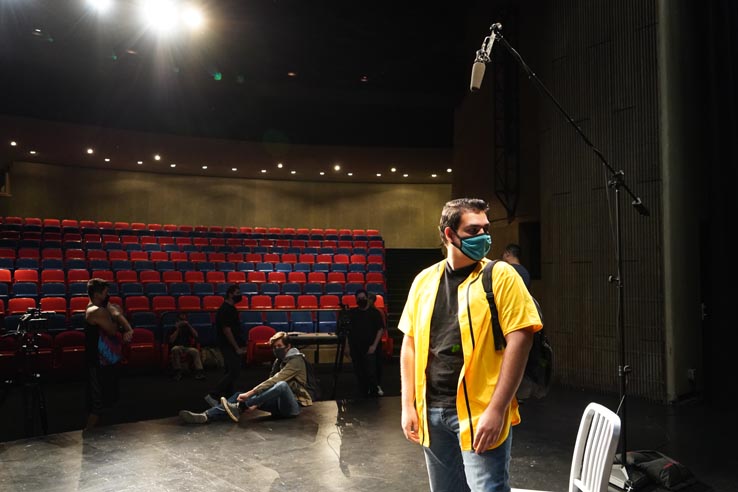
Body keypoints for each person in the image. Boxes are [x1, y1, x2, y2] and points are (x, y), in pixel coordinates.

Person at [399, 198, 543, 492]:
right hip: (433, 411)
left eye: (486, 229)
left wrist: (497, 409)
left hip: (481, 412)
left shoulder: (501, 275)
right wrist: (407, 405)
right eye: (474, 230)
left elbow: (521, 339)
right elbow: (410, 345)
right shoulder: (424, 281)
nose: (484, 237)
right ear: (450, 235)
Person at [179, 331, 313, 424]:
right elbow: (269, 385)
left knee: (281, 385)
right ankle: (206, 416)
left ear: (288, 346)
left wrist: (250, 397)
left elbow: (275, 381)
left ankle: (241, 407)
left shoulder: (296, 360)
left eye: (279, 346)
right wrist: (257, 402)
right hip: (277, 406)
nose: (276, 349)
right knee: (239, 394)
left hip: (292, 407)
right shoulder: (278, 360)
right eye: (274, 347)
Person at [84, 277, 134, 430]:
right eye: (105, 292)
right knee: (97, 404)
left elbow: (119, 319)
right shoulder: (95, 311)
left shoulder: (103, 308)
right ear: (97, 294)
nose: (108, 295)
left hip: (108, 361)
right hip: (98, 363)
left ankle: (105, 433)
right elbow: (113, 329)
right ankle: (88, 433)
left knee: (110, 399)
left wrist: (127, 328)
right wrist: (115, 313)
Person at [204, 284, 246, 407]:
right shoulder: (226, 309)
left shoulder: (231, 309)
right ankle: (213, 395)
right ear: (230, 294)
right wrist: (236, 347)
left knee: (230, 370)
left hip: (231, 344)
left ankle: (229, 397)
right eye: (237, 293)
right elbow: (227, 330)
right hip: (228, 345)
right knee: (234, 371)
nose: (240, 295)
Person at [346, 288, 384, 397]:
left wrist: (374, 346)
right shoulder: (353, 313)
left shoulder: (375, 313)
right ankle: (362, 392)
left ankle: (373, 391)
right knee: (359, 371)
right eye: (359, 299)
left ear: (367, 298)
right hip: (356, 348)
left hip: (370, 347)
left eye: (363, 298)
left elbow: (380, 329)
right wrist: (347, 347)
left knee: (371, 372)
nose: (361, 300)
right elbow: (349, 332)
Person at [168, 312, 205, 380]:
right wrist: (178, 328)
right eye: (181, 320)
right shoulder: (173, 328)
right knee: (174, 349)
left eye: (184, 320)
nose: (183, 322)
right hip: (177, 346)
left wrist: (189, 325)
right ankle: (177, 372)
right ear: (178, 320)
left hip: (187, 347)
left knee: (195, 351)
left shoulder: (188, 328)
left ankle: (199, 372)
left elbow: (196, 335)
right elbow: (171, 340)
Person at [367, 291, 386, 396]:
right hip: (366, 342)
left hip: (376, 342)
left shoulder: (378, 312)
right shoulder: (363, 312)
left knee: (376, 365)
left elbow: (382, 328)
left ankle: (377, 385)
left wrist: (375, 344)